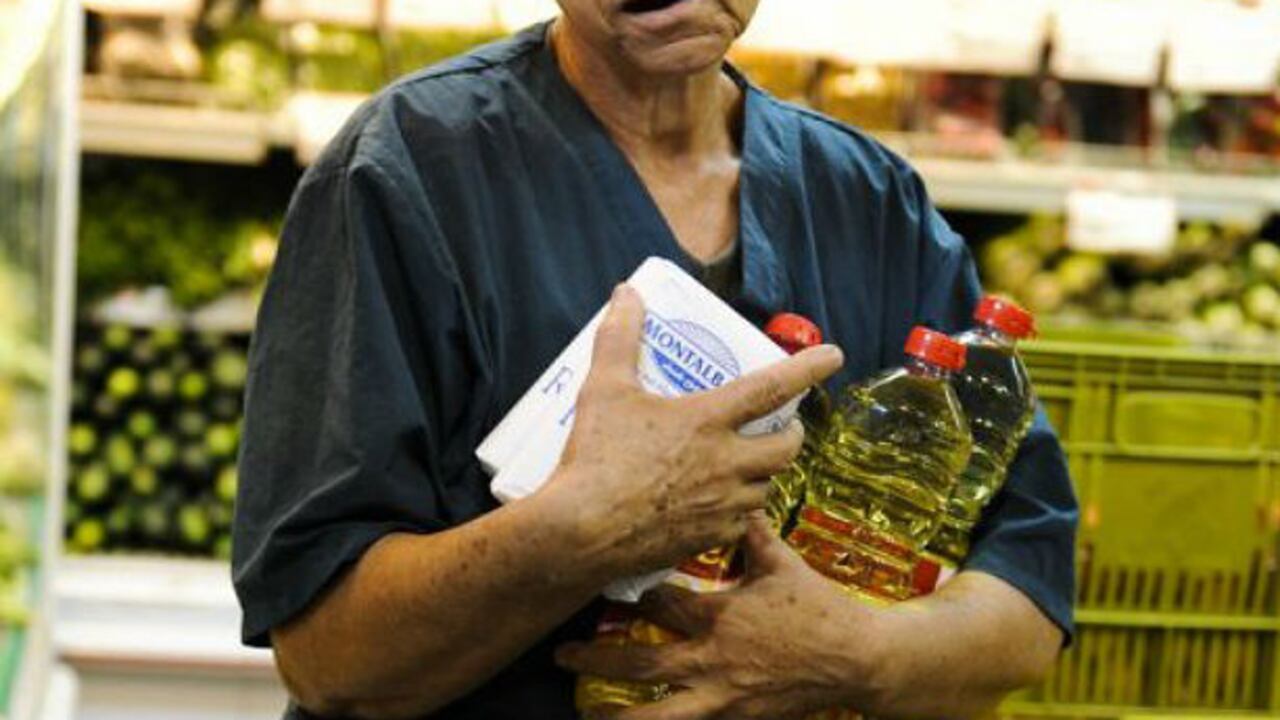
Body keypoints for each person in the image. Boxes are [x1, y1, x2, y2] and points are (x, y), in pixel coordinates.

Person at [232, 0, 1078, 718]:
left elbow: (1028, 592)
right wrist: (579, 530)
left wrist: (856, 653)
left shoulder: (869, 200)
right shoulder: (409, 169)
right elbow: (325, 656)